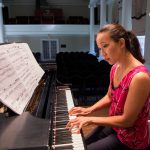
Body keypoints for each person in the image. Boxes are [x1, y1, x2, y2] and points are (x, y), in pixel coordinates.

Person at [66, 23, 150, 150]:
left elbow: (127, 121)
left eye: (105, 46)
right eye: (100, 48)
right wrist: (88, 110)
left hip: (130, 137)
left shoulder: (139, 77)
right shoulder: (115, 67)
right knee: (82, 144)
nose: (102, 53)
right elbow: (109, 97)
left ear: (121, 43)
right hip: (116, 126)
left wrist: (90, 119)